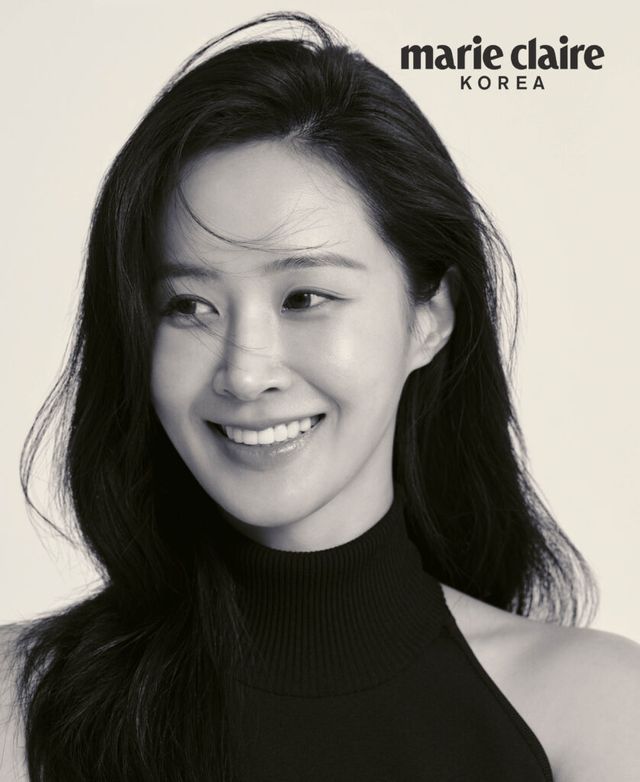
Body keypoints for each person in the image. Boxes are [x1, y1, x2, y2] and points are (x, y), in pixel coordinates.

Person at [1, 11, 639, 781]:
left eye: (305, 297)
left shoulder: (596, 712)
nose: (245, 374)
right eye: (189, 306)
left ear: (430, 317)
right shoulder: (20, 706)